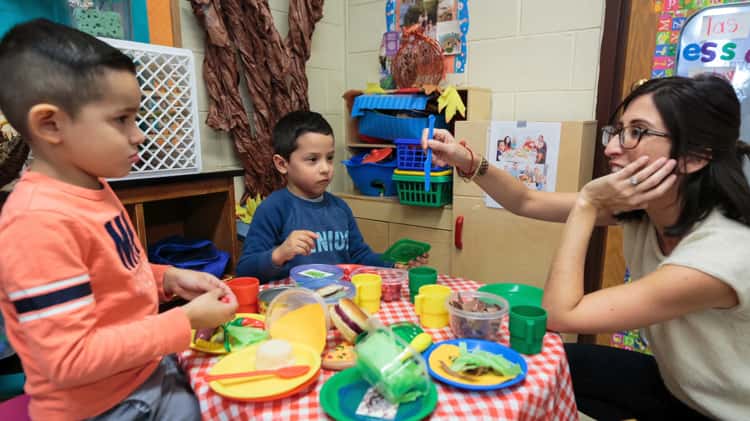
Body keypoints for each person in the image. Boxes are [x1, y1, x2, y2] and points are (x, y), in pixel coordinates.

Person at [423, 74, 750, 420]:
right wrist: (467, 161)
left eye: (637, 132)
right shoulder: (648, 211)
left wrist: (587, 204)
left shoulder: (718, 257)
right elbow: (526, 200)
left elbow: (562, 314)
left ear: (694, 157)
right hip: (676, 386)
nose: (611, 147)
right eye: (619, 130)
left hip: (720, 412)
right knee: (545, 369)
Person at [0, 20, 238, 420]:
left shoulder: (93, 187)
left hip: (146, 373)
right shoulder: (37, 223)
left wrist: (166, 279)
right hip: (105, 408)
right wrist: (183, 321)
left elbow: (109, 275)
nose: (140, 134)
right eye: (122, 120)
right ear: (50, 124)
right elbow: (70, 359)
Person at [236, 111, 427, 283]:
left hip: (339, 298)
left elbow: (359, 256)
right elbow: (244, 271)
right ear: (282, 164)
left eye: (329, 158)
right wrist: (279, 254)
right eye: (312, 160)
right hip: (295, 304)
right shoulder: (273, 209)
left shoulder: (340, 208)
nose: (325, 168)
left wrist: (394, 263)